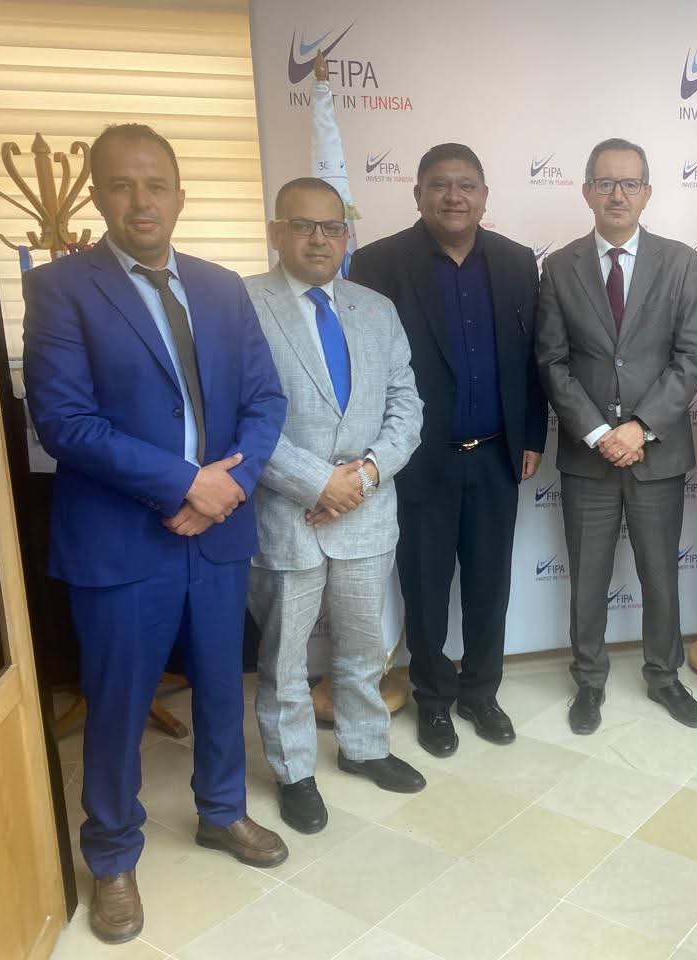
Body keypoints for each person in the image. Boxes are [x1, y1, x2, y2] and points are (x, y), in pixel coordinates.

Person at [22, 123, 288, 944]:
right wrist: (183, 483)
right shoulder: (61, 289)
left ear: (180, 195)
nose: (142, 201)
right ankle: (110, 854)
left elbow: (265, 400)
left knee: (223, 687)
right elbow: (65, 421)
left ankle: (221, 811)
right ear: (99, 195)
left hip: (216, 534)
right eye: (122, 185)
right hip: (120, 541)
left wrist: (228, 486)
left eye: (157, 185)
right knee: (118, 705)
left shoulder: (221, 287)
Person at [347, 144, 546, 757]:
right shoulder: (378, 263)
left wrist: (532, 435)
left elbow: (531, 357)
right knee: (425, 587)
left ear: (484, 196)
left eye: (466, 185)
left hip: (496, 455)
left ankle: (482, 692)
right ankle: (433, 699)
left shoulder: (516, 261)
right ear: (418, 194)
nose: (453, 196)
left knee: (490, 585)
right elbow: (365, 367)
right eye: (439, 185)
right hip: (417, 460)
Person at [244, 177, 426, 835]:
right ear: (277, 232)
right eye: (303, 225)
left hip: (367, 511)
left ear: (346, 236)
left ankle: (365, 747)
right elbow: (239, 417)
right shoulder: (242, 306)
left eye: (331, 227)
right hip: (285, 514)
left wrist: (366, 476)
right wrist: (319, 483)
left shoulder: (376, 308)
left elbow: (407, 404)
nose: (319, 239)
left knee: (362, 645)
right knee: (284, 660)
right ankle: (294, 770)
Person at [536, 137, 697, 734]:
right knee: (587, 578)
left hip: (657, 453)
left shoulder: (680, 262)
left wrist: (640, 427)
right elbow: (552, 361)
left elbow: (691, 356)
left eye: (629, 183)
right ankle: (589, 681)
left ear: (647, 193)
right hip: (589, 457)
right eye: (605, 183)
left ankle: (664, 676)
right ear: (586, 191)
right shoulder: (560, 267)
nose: (617, 194)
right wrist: (597, 432)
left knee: (661, 575)